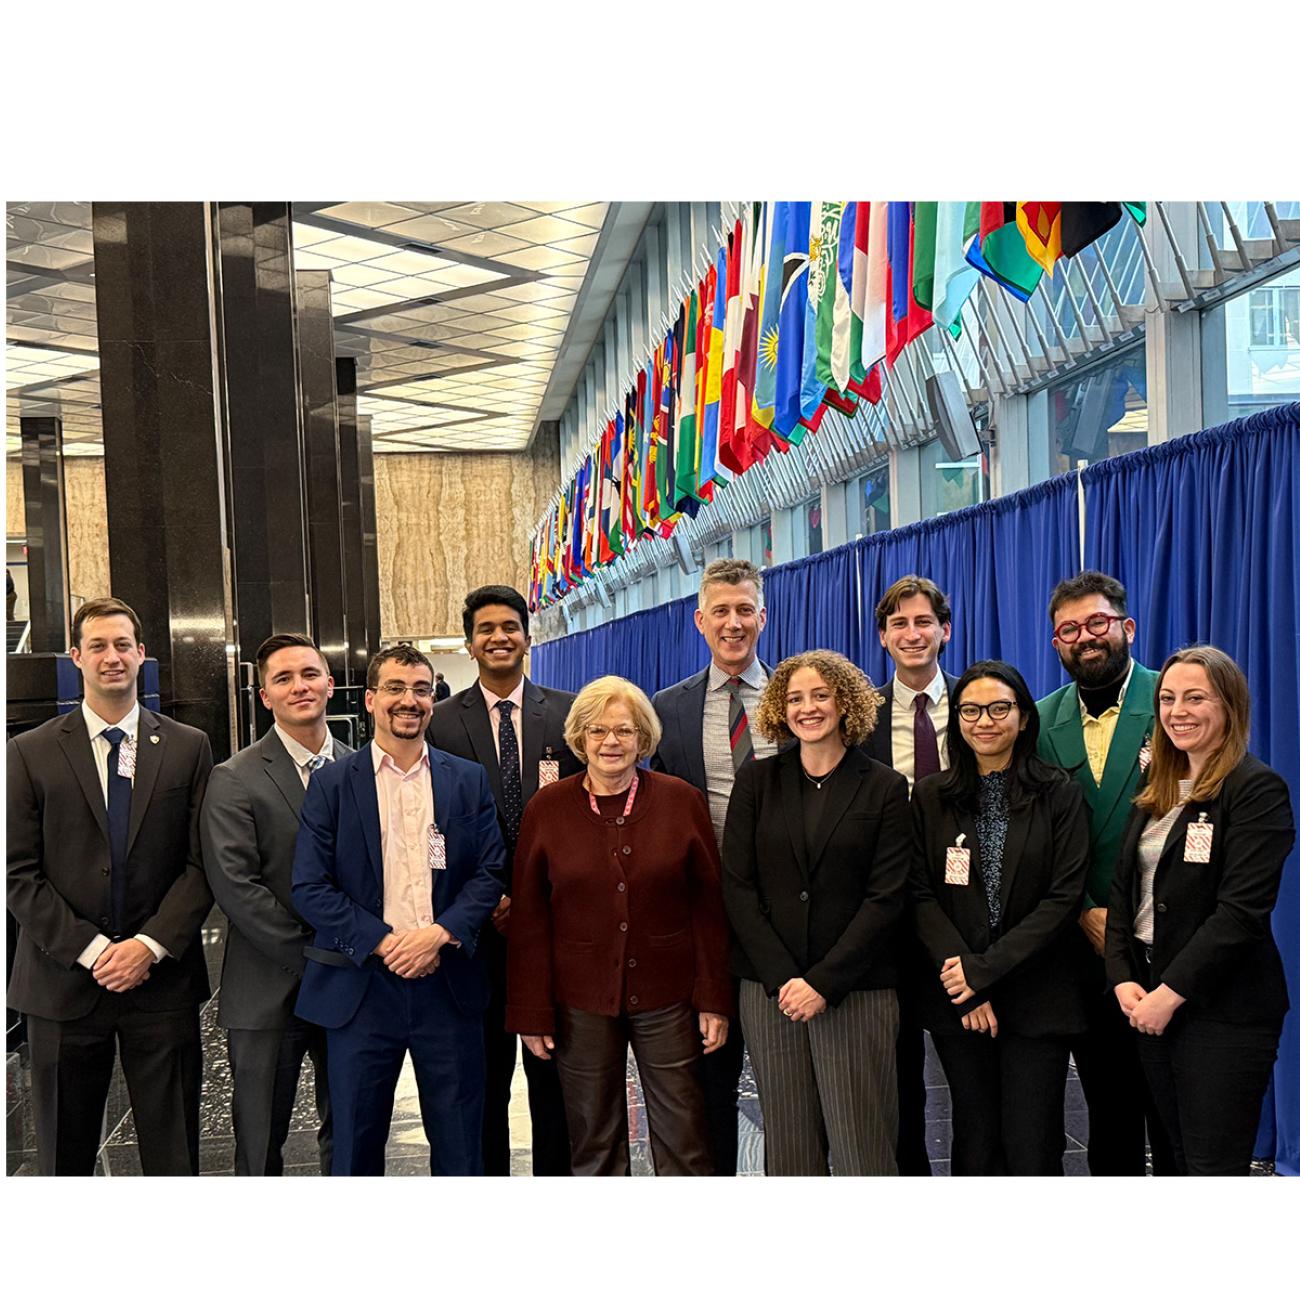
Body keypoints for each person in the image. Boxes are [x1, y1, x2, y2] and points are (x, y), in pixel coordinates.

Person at [7, 596, 214, 1175]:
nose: (112, 657)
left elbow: (202, 865)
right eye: (97, 645)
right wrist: (96, 952)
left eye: (123, 644)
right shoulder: (26, 752)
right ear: (76, 657)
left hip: (161, 984)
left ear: (142, 654)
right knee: (63, 1158)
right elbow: (16, 873)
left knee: (174, 1156)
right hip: (61, 985)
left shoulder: (187, 746)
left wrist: (147, 947)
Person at [291, 644, 506, 1175]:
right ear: (369, 700)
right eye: (395, 688)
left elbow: (489, 872)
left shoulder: (466, 778)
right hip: (363, 988)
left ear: (433, 700)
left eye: (420, 689)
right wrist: (387, 942)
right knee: (355, 1147)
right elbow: (310, 886)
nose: (408, 701)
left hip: (448, 985)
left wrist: (438, 935)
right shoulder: (333, 783)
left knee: (461, 1145)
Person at [506, 676, 733, 1176]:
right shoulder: (546, 809)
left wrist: (714, 998)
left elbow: (708, 909)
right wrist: (530, 1011)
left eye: (624, 730)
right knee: (592, 1137)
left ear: (644, 738)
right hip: (579, 1002)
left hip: (669, 995)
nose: (611, 741)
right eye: (597, 730)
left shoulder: (681, 800)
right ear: (579, 739)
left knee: (685, 1136)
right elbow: (529, 918)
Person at [1106, 645, 1294, 1176]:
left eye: (1195, 698)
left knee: (1213, 1169)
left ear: (1229, 705)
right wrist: (1122, 977)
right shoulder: (1157, 788)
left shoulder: (1255, 790)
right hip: (1146, 998)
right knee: (1176, 1159)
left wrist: (1169, 995)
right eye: (1167, 699)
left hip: (1223, 1010)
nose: (1177, 711)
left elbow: (1240, 914)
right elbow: (1125, 893)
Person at [723, 650, 910, 1175]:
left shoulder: (884, 787)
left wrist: (823, 982)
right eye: (795, 698)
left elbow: (886, 897)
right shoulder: (757, 783)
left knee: (862, 1147)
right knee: (789, 1148)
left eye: (820, 695)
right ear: (780, 709)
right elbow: (738, 887)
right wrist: (785, 978)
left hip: (857, 989)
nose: (807, 708)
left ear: (844, 702)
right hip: (771, 992)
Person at [910, 660, 1090, 1175]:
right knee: (975, 1139)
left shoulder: (1058, 793)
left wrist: (982, 971)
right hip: (960, 1000)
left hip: (1038, 994)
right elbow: (920, 894)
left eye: (998, 708)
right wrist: (963, 974)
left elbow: (1063, 898)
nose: (983, 721)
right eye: (970, 709)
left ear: (1024, 717)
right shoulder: (930, 796)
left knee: (1033, 1144)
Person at [427, 583, 580, 1176]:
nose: (499, 637)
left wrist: (540, 898)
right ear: (470, 644)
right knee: (482, 1085)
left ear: (528, 635)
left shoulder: (569, 715)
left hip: (556, 932)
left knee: (555, 1085)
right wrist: (485, 898)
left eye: (509, 626)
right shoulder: (439, 724)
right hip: (477, 933)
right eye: (486, 629)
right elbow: (432, 829)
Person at [1036, 570, 1173, 1175]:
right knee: (1109, 1114)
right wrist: (1083, 910)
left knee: (1176, 1120)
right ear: (1056, 642)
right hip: (1082, 948)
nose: (1086, 637)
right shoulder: (1036, 721)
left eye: (1098, 623)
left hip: (1167, 945)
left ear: (1127, 627)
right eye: (1070, 629)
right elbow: (1030, 841)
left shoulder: (1174, 702)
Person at [200, 633, 348, 1175]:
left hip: (352, 984)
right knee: (261, 1143)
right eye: (282, 679)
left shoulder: (361, 768)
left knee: (352, 1133)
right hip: (266, 987)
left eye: (309, 674)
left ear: (329, 684)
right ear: (265, 697)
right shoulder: (234, 777)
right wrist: (316, 955)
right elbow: (237, 886)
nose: (299, 687)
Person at [651, 557, 777, 1174]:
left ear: (763, 615)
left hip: (785, 923)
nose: (734, 623)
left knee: (788, 1091)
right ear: (700, 620)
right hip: (699, 923)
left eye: (745, 609)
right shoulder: (666, 710)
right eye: (721, 611)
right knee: (707, 1084)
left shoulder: (797, 700)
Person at [863, 573, 959, 1175]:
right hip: (887, 921)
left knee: (969, 1073)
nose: (913, 633)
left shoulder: (983, 705)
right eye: (899, 623)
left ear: (945, 631)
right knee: (895, 1081)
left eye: (924, 621)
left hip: (964, 916)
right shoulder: (860, 718)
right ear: (883, 637)